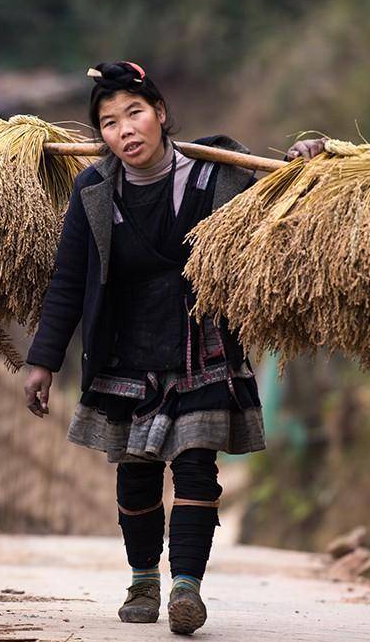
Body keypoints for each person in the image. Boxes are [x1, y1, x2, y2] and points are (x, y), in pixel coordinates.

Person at [22, 60, 325, 635]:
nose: (125, 130)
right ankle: (143, 579)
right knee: (135, 474)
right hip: (124, 348)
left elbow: (284, 202)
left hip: (200, 341)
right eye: (109, 123)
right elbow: (67, 280)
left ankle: (187, 587)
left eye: (135, 113)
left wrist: (310, 159)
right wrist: (43, 360)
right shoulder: (93, 192)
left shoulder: (215, 175)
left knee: (196, 467)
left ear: (160, 114)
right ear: (101, 136)